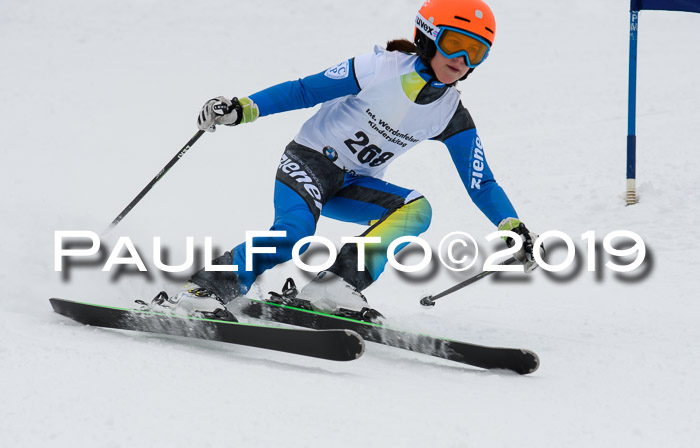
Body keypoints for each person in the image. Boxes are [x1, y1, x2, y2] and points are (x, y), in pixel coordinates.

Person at [145, 0, 542, 322]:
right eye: (455, 43)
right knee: (293, 234)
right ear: (429, 36)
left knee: (416, 209)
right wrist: (242, 108)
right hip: (309, 162)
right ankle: (203, 289)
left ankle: (332, 286)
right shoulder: (379, 68)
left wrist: (513, 227)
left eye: (475, 51)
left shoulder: (451, 114)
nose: (461, 59)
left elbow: (481, 182)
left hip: (352, 184)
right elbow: (303, 91)